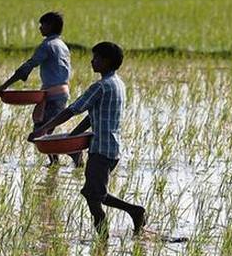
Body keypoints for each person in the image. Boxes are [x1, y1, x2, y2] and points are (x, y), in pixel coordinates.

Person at [28, 42, 147, 238]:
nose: (92, 61)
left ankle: (128, 217)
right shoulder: (118, 84)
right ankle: (107, 235)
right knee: (93, 193)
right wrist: (72, 135)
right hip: (111, 148)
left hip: (100, 149)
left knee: (94, 195)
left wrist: (42, 129)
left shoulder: (100, 86)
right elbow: (92, 116)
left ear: (107, 61)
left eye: (96, 58)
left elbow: (72, 110)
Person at [0, 11, 82, 167]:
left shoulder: (47, 45)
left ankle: (71, 152)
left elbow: (28, 66)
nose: (40, 28)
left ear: (50, 26)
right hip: (61, 92)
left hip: (53, 94)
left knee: (41, 129)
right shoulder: (62, 45)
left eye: (42, 25)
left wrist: (5, 86)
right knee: (44, 128)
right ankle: (55, 161)